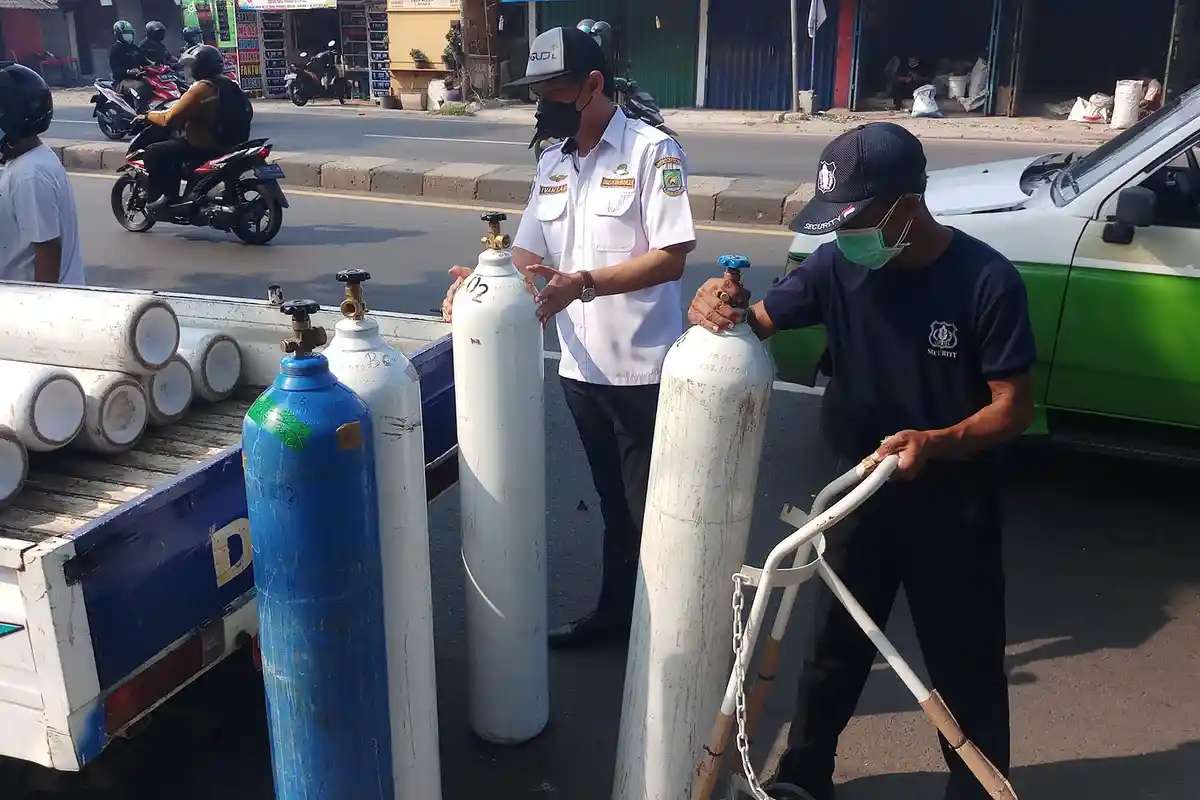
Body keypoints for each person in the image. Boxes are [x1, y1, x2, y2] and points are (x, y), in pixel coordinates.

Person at [691, 122, 1033, 800]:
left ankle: (975, 790)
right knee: (831, 655)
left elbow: (1013, 407)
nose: (847, 237)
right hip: (855, 497)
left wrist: (937, 441)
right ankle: (806, 776)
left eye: (858, 221)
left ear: (907, 207)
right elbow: (757, 320)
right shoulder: (837, 267)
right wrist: (717, 305)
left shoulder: (986, 281)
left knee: (964, 667)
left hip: (951, 506)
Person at [441, 26, 696, 649]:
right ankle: (620, 616)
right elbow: (528, 252)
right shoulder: (553, 162)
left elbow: (671, 258)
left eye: (554, 88)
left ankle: (670, 630)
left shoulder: (651, 153)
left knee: (651, 509)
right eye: (536, 89)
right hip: (580, 372)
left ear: (592, 85)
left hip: (643, 369)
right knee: (613, 503)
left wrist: (582, 283)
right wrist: (479, 283)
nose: (542, 101)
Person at [137, 45, 248, 215]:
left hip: (203, 147)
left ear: (199, 66)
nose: (188, 70)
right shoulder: (231, 85)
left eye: (190, 65)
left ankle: (169, 197)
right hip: (231, 144)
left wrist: (147, 116)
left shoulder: (201, 88)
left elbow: (170, 119)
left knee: (154, 151)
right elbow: (248, 112)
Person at [0, 62, 85, 285]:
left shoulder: (30, 175)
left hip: (36, 310)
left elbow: (47, 253)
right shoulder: (27, 162)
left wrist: (38, 314)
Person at [109, 20, 149, 110]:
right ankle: (140, 113)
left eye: (130, 33)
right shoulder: (115, 49)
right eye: (125, 33)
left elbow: (146, 62)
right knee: (140, 87)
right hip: (122, 81)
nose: (128, 35)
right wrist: (129, 71)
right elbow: (115, 69)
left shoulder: (134, 48)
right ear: (118, 34)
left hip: (138, 77)